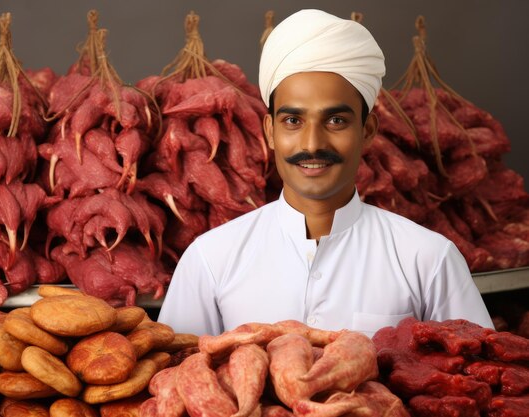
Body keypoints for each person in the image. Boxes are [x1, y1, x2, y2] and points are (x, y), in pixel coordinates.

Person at [157, 9, 493, 337]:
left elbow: (481, 379)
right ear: (271, 132)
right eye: (293, 121)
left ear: (368, 130)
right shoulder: (211, 259)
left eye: (336, 121)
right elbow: (174, 383)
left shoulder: (427, 259)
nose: (313, 143)